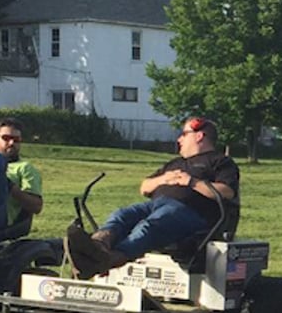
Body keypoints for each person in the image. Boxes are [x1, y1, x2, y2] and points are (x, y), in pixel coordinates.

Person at [63, 116, 239, 278]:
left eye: (184, 134)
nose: (179, 140)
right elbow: (144, 187)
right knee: (121, 215)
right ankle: (96, 246)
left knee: (149, 225)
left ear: (199, 136)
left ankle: (108, 259)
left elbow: (227, 191)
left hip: (192, 214)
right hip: (157, 205)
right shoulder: (175, 163)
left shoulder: (220, 162)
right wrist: (164, 178)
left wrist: (191, 182)